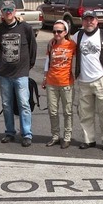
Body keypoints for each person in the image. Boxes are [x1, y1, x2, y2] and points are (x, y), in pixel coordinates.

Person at [72, 11, 103, 153]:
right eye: (86, 20)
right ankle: (89, 140)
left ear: (97, 21)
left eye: (91, 19)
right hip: (83, 82)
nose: (89, 23)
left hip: (101, 80)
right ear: (82, 22)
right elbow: (66, 47)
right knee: (85, 113)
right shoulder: (78, 36)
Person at [0, 0, 37, 147]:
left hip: (21, 73)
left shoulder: (24, 27)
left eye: (11, 10)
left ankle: (26, 133)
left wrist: (28, 66)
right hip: (4, 73)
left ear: (15, 11)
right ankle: (9, 132)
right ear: (2, 12)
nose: (8, 12)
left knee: (24, 104)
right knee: (6, 104)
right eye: (5, 10)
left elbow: (33, 47)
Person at [42, 19, 77, 149]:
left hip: (66, 82)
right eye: (54, 31)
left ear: (65, 32)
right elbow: (47, 61)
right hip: (51, 82)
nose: (56, 34)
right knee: (53, 111)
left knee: (67, 112)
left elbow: (81, 59)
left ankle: (67, 137)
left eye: (59, 31)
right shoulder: (51, 45)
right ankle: (55, 136)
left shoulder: (72, 45)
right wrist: (45, 77)